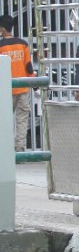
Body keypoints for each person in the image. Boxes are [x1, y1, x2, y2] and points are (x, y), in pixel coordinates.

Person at [0, 14, 35, 151]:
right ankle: (19, 148)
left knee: (4, 121)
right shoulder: (23, 44)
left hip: (5, 91)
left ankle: (5, 150)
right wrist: (35, 84)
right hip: (23, 89)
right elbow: (29, 67)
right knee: (22, 120)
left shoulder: (0, 46)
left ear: (3, 29)